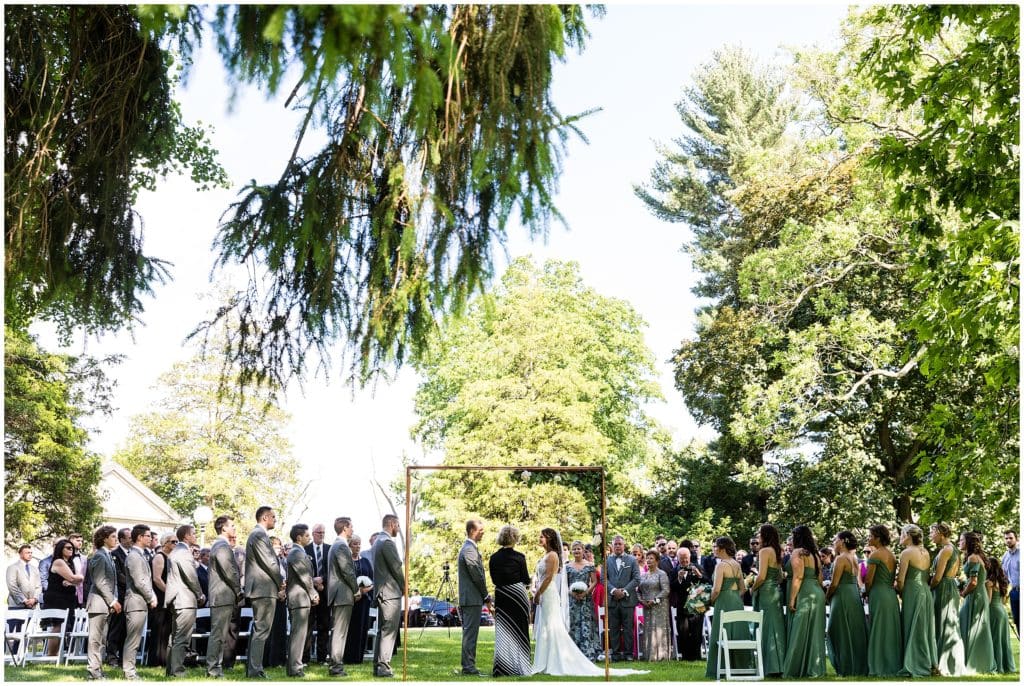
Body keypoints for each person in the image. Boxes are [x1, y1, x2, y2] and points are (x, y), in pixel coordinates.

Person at [531, 528, 645, 677]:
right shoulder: (551, 557)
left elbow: (548, 578)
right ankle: (545, 660)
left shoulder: (553, 556)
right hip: (555, 595)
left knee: (554, 627)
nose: (539, 539)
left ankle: (556, 659)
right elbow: (556, 579)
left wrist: (538, 593)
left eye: (542, 537)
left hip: (552, 594)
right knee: (548, 628)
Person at [782, 525, 826, 678]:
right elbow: (820, 578)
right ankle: (814, 668)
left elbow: (798, 576)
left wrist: (792, 599)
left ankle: (796, 668)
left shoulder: (797, 552)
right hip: (817, 592)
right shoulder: (814, 554)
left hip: (805, 593)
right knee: (814, 631)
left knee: (799, 630)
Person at [245, 505, 284, 678]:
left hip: (262, 588)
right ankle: (255, 670)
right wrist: (281, 581)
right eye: (273, 517)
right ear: (265, 517)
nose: (275, 520)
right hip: (263, 588)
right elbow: (270, 563)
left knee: (260, 630)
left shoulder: (258, 534)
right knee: (262, 630)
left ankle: (254, 668)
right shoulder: (259, 535)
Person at [705, 536, 751, 678]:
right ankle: (740, 667)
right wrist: (734, 596)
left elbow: (716, 589)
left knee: (721, 632)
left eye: (715, 546)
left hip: (723, 601)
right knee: (736, 633)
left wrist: (708, 602)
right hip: (736, 601)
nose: (714, 549)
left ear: (722, 548)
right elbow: (743, 588)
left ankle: (720, 669)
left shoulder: (721, 565)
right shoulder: (736, 564)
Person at [489, 525, 531, 676]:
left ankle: (502, 668)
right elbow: (525, 579)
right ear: (515, 538)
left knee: (503, 631)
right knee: (520, 630)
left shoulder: (493, 558)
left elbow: (494, 580)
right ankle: (521, 667)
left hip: (501, 594)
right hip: (517, 595)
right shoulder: (519, 557)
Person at [896, 523, 937, 677]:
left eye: (902, 534)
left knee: (912, 626)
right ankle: (929, 662)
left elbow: (900, 580)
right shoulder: (926, 552)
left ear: (908, 536)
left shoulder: (906, 553)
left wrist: (899, 590)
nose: (900, 537)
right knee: (924, 627)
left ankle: (915, 663)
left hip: (912, 591)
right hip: (925, 591)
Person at [825, 531, 868, 676]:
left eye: (835, 539)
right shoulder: (853, 557)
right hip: (853, 594)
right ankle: (856, 665)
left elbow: (834, 584)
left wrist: (827, 596)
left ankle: (845, 666)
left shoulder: (841, 558)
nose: (833, 542)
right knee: (853, 630)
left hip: (842, 595)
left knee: (838, 630)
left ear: (842, 541)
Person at [166, 524, 205, 677]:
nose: (195, 536)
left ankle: (171, 670)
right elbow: (191, 576)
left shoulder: (176, 552)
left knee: (175, 637)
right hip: (185, 600)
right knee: (181, 638)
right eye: (193, 533)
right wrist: (200, 594)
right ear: (186, 536)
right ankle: (177, 671)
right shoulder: (183, 552)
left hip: (178, 599)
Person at [207, 515, 242, 678]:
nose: (234, 529)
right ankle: (213, 669)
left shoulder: (221, 545)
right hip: (222, 596)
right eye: (232, 526)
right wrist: (238, 590)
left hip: (224, 596)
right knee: (218, 635)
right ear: (223, 528)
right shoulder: (222, 545)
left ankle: (215, 667)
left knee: (220, 634)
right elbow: (229, 571)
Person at [865, 524, 902, 676]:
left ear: (878, 538)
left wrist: (866, 593)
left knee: (878, 628)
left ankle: (879, 665)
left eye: (871, 535)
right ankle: (892, 664)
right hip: (890, 595)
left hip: (879, 594)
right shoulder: (891, 555)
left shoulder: (875, 555)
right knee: (889, 630)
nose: (868, 538)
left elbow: (868, 580)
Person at [86, 525, 121, 680]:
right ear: (104, 538)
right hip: (98, 603)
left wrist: (114, 600)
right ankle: (93, 671)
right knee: (95, 639)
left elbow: (111, 582)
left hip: (105, 603)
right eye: (113, 536)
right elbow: (99, 581)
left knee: (102, 640)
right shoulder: (99, 555)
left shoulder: (107, 555)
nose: (116, 539)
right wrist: (112, 600)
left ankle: (97, 670)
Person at [928, 522, 964, 676]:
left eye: (932, 532)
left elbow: (938, 577)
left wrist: (929, 588)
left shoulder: (946, 551)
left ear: (940, 533)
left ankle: (945, 665)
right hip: (950, 587)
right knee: (948, 623)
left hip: (943, 588)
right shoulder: (953, 549)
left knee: (944, 624)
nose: (930, 535)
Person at [749, 524, 785, 676]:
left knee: (767, 628)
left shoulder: (764, 551)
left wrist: (752, 588)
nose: (758, 537)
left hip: (766, 593)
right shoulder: (777, 551)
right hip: (775, 592)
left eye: (759, 534)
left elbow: (762, 576)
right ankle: (779, 664)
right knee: (776, 627)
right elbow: (781, 576)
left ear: (765, 536)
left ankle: (771, 667)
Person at [123, 525, 158, 680]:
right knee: (133, 639)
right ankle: (129, 672)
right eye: (148, 536)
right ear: (139, 537)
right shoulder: (134, 556)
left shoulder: (140, 555)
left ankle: (131, 670)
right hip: (135, 602)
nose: (150, 539)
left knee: (135, 639)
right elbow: (139, 581)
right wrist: (151, 597)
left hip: (139, 602)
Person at [371, 514, 404, 678]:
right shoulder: (387, 542)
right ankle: (383, 666)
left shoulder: (377, 541)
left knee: (383, 630)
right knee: (389, 631)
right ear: (392, 524)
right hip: (390, 592)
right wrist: (404, 586)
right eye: (397, 525)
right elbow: (396, 568)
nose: (398, 528)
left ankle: (377, 666)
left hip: (382, 592)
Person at [457, 519, 491, 675]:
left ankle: (468, 665)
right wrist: (486, 595)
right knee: (470, 634)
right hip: (472, 599)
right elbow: (477, 575)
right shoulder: (469, 549)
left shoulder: (470, 548)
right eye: (480, 530)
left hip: (471, 598)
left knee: (469, 633)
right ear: (472, 531)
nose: (483, 533)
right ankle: (469, 667)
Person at [959, 531, 995, 674]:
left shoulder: (973, 558)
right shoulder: (977, 557)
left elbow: (973, 582)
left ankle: (974, 662)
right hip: (980, 595)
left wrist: (963, 593)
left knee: (969, 625)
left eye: (961, 540)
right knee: (974, 627)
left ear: (968, 542)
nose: (959, 542)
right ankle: (976, 661)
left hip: (975, 596)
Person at [286, 524, 319, 677]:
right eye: (307, 535)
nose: (310, 538)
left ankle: (295, 667)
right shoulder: (296, 553)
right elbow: (304, 577)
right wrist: (313, 593)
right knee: (298, 635)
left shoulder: (300, 552)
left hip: (302, 599)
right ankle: (295, 668)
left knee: (301, 635)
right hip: (298, 599)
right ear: (298, 537)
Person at [328, 516, 359, 676]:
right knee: (340, 633)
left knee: (338, 632)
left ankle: (334, 665)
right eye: (351, 526)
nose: (353, 529)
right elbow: (347, 571)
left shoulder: (338, 545)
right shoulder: (341, 546)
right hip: (342, 594)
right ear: (345, 528)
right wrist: (356, 589)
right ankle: (336, 667)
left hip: (340, 594)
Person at [43, 537, 84, 655]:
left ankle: (57, 654)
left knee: (63, 627)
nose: (72, 549)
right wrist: (76, 579)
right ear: (61, 549)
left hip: (67, 598)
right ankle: (52, 655)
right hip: (57, 598)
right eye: (68, 548)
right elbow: (75, 578)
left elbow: (76, 580)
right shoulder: (59, 561)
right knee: (58, 627)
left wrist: (73, 581)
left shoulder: (69, 563)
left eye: (72, 548)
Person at [604, 535, 640, 662]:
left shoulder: (632, 560)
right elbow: (604, 579)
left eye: (620, 544)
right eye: (616, 544)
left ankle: (629, 653)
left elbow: (636, 579)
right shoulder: (606, 560)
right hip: (612, 599)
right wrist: (613, 590)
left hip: (627, 600)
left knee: (628, 628)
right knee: (613, 628)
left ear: (624, 545)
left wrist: (624, 591)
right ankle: (615, 654)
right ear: (612, 546)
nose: (618, 546)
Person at [566, 541, 600, 660]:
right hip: (572, 600)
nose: (576, 551)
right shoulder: (568, 567)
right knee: (573, 624)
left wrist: (586, 592)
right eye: (574, 549)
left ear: (583, 550)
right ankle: (573, 652)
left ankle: (587, 651)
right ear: (571, 551)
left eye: (578, 549)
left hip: (586, 599)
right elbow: (565, 584)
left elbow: (594, 581)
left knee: (586, 623)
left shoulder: (589, 565)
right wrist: (572, 593)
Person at [343, 534, 374, 664]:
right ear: (349, 545)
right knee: (350, 629)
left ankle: (359, 657)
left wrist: (365, 590)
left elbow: (372, 580)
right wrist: (355, 591)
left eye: (359, 543)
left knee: (362, 628)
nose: (358, 546)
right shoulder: (347, 561)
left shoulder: (365, 561)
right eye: (355, 543)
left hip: (364, 600)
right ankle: (348, 657)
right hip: (350, 600)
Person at [148, 532, 176, 667]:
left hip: (170, 599)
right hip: (160, 597)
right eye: (173, 542)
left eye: (177, 542)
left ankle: (164, 660)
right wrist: (169, 592)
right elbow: (157, 579)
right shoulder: (160, 557)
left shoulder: (173, 557)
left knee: (167, 630)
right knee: (158, 630)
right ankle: (154, 661)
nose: (175, 544)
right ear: (165, 543)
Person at [304, 523, 331, 665]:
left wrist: (323, 580)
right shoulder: (305, 549)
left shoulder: (329, 549)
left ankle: (322, 658)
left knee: (324, 626)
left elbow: (332, 569)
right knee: (308, 626)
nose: (321, 534)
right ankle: (305, 658)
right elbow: (302, 570)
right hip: (309, 593)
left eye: (323, 532)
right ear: (313, 533)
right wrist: (313, 582)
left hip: (325, 593)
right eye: (319, 532)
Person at [984, 555, 1016, 674]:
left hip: (993, 611)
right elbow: (1003, 601)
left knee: (995, 639)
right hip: (1002, 611)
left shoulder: (989, 583)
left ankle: (998, 666)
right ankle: (1007, 666)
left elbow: (988, 600)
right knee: (1003, 639)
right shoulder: (1002, 582)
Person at [672, 545, 704, 660]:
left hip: (697, 605)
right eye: (682, 558)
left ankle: (696, 656)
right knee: (683, 632)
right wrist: (679, 579)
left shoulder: (698, 567)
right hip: (682, 606)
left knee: (696, 632)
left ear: (690, 557)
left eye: (686, 558)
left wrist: (699, 575)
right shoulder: (674, 570)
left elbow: (708, 582)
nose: (685, 560)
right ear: (678, 558)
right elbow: (672, 587)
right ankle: (686, 657)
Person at [639, 549, 670, 661]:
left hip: (659, 606)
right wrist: (641, 600)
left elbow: (666, 590)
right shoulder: (643, 575)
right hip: (646, 606)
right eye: (647, 558)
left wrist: (655, 599)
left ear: (657, 561)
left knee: (658, 628)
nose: (648, 560)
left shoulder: (662, 574)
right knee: (648, 628)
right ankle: (648, 655)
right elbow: (638, 590)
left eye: (651, 558)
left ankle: (661, 655)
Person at [106, 527, 131, 668]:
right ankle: (111, 657)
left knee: (126, 630)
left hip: (130, 597)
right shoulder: (115, 554)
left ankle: (123, 657)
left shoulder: (132, 553)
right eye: (128, 537)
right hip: (119, 596)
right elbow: (118, 575)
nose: (131, 539)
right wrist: (133, 583)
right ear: (121, 539)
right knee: (116, 629)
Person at [7, 544, 41, 609]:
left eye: (31, 553)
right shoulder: (12, 567)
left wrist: (34, 599)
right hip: (16, 606)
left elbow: (39, 586)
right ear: (20, 554)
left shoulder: (35, 569)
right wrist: (24, 600)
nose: (30, 554)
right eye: (27, 553)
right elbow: (12, 586)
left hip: (32, 605)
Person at [1002, 530, 1019, 636]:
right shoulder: (1005, 556)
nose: (1008, 540)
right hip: (1014, 592)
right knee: (1017, 620)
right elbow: (1004, 577)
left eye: (1011, 538)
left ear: (1016, 539)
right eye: (1006, 538)